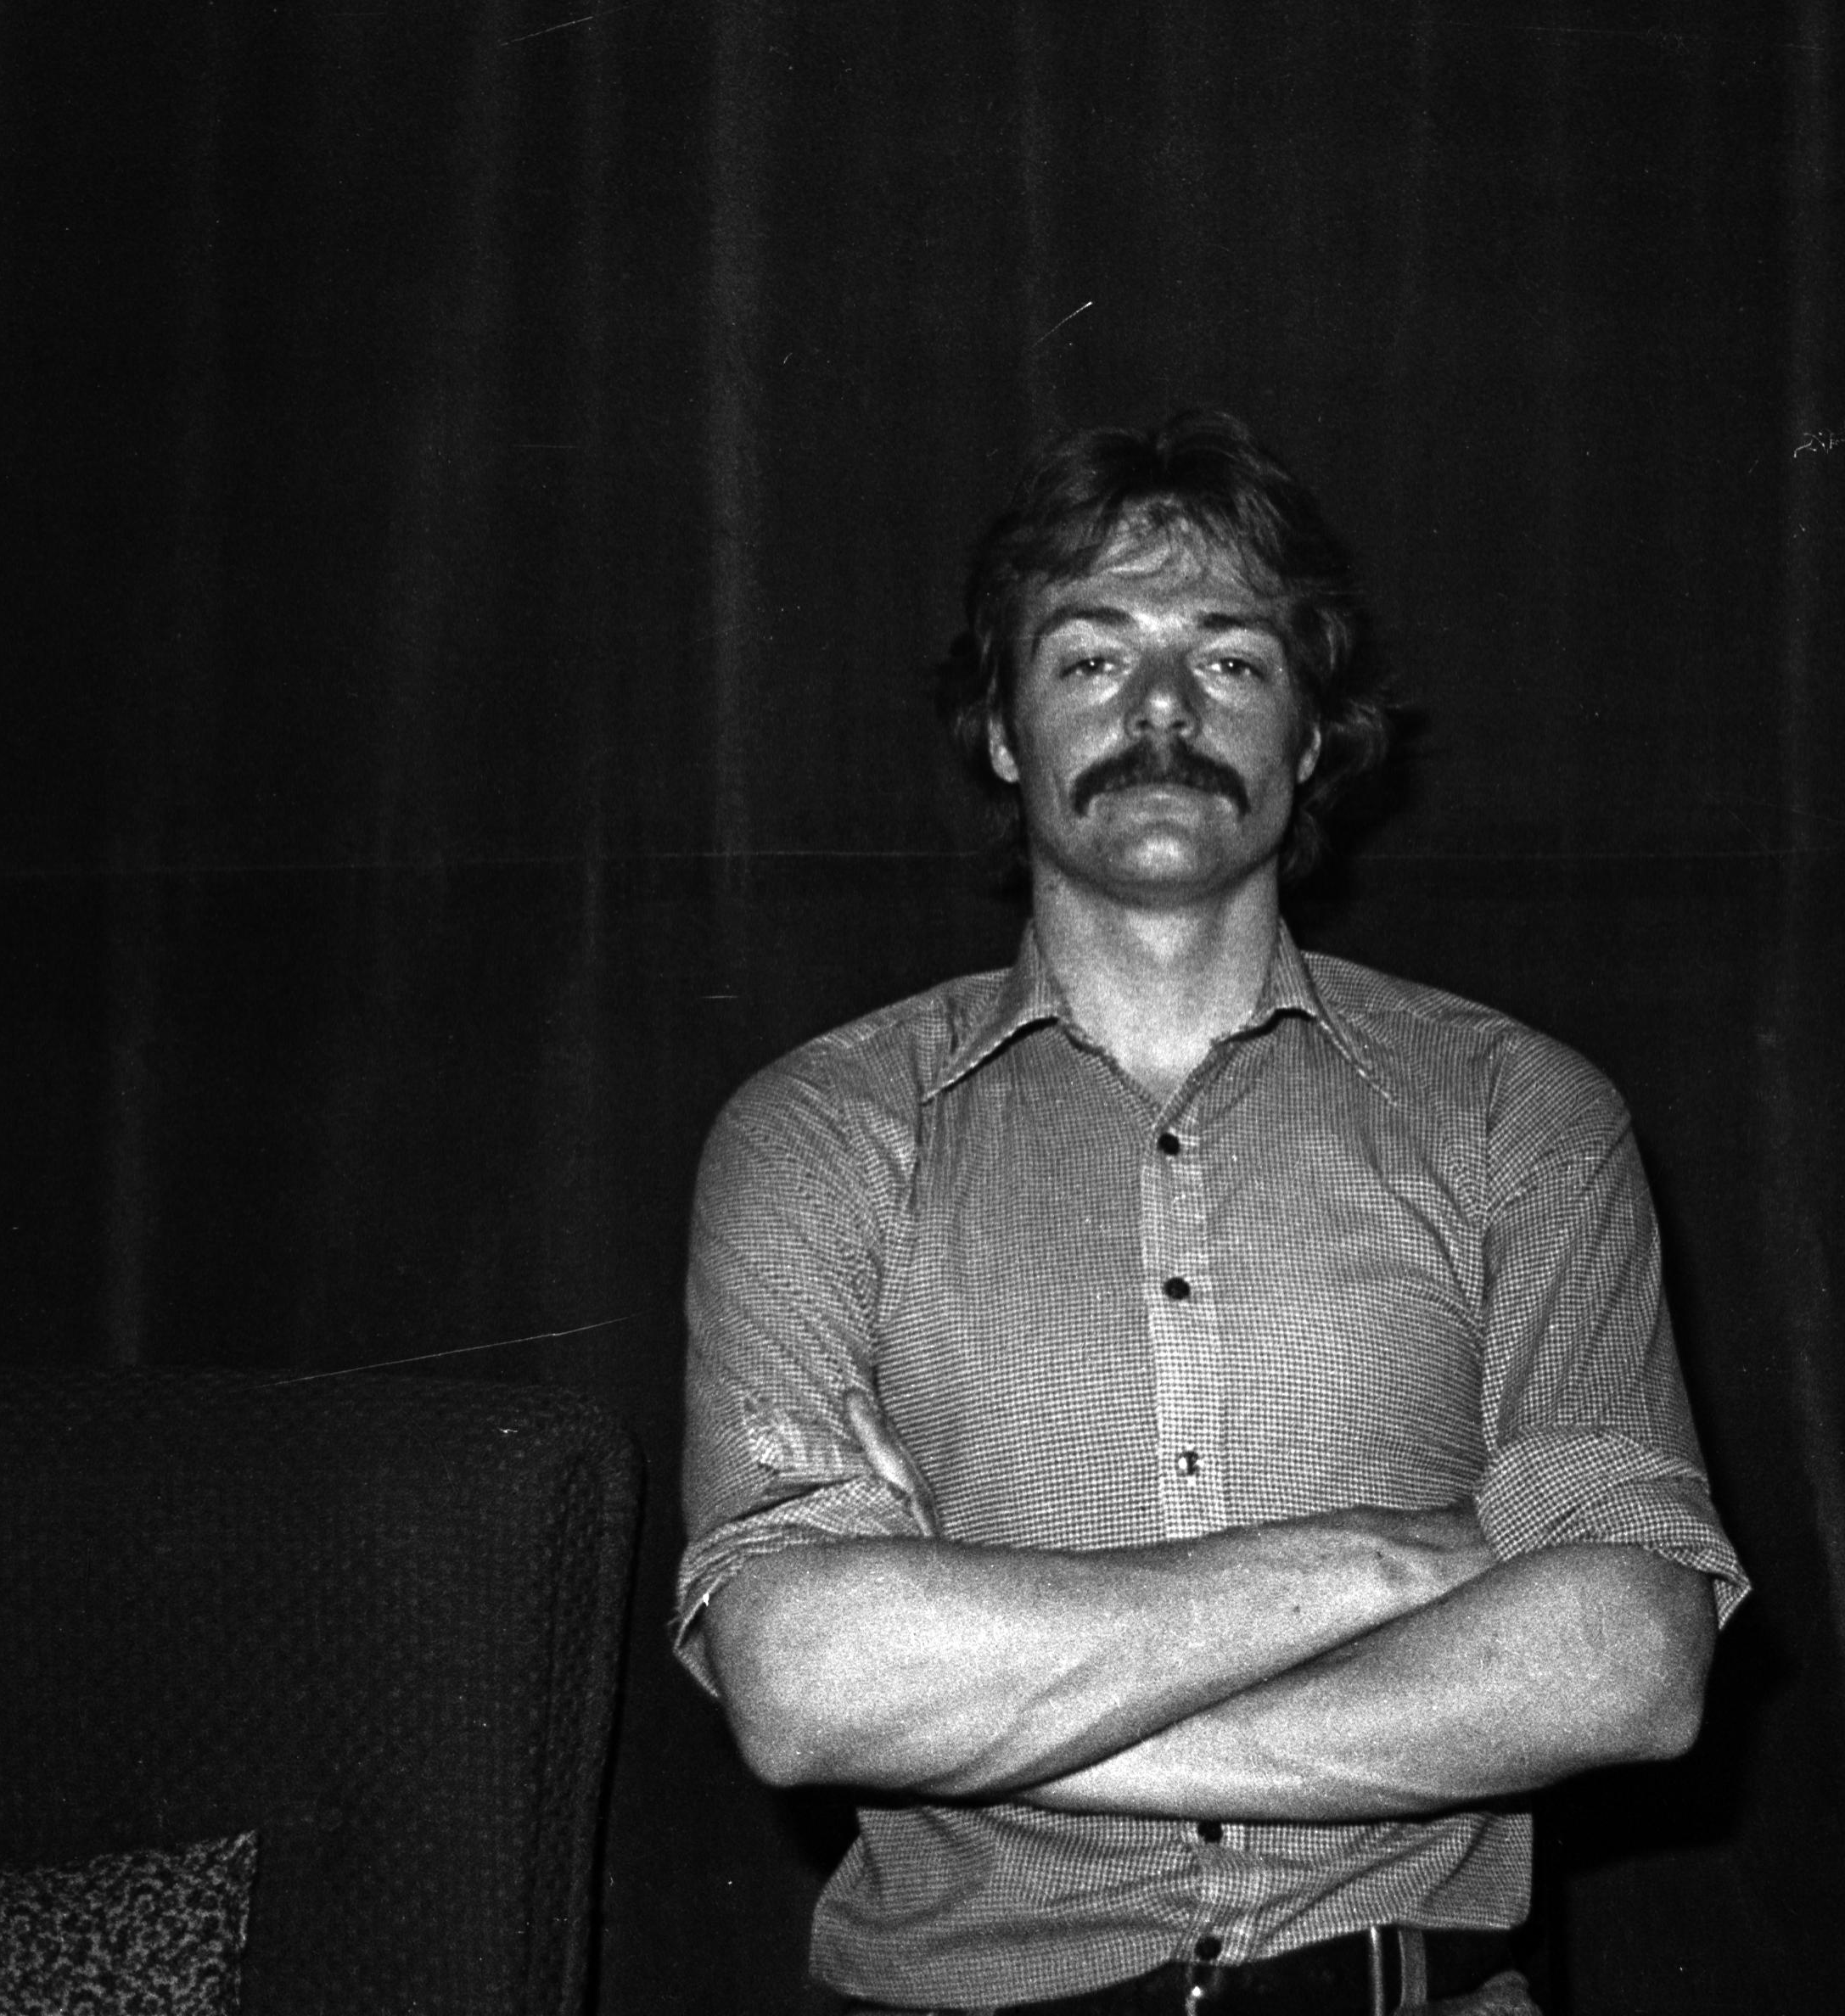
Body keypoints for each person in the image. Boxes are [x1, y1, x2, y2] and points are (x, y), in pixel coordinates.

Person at [674, 412, 1747, 2016]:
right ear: (1003, 730)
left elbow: (1631, 1660)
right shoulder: (821, 1134)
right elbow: (804, 1681)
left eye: (1232, 660)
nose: (1164, 710)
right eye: (1094, 657)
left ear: (1311, 736)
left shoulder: (1520, 1113)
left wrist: (990, 1711)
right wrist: (1401, 1559)